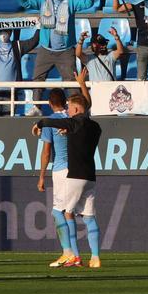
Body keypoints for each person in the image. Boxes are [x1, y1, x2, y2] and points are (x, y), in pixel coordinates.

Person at [33, 85, 103, 268]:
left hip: (72, 173)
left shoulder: (69, 122)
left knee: (59, 212)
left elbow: (50, 133)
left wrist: (40, 123)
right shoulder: (94, 126)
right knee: (88, 216)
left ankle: (68, 253)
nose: (69, 111)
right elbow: (81, 118)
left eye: (71, 108)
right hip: (90, 175)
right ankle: (94, 257)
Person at [13, 0, 96, 89]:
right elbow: (26, 3)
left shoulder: (71, 2)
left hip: (66, 51)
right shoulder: (42, 1)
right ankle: (36, 106)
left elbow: (87, 4)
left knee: (71, 82)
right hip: (46, 49)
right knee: (37, 81)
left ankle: (74, 106)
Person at [37, 89, 79, 267]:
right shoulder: (73, 118)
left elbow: (46, 152)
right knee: (69, 212)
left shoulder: (51, 122)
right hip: (77, 169)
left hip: (61, 170)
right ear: (65, 102)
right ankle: (76, 256)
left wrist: (41, 177)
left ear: (49, 103)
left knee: (56, 211)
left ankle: (67, 252)